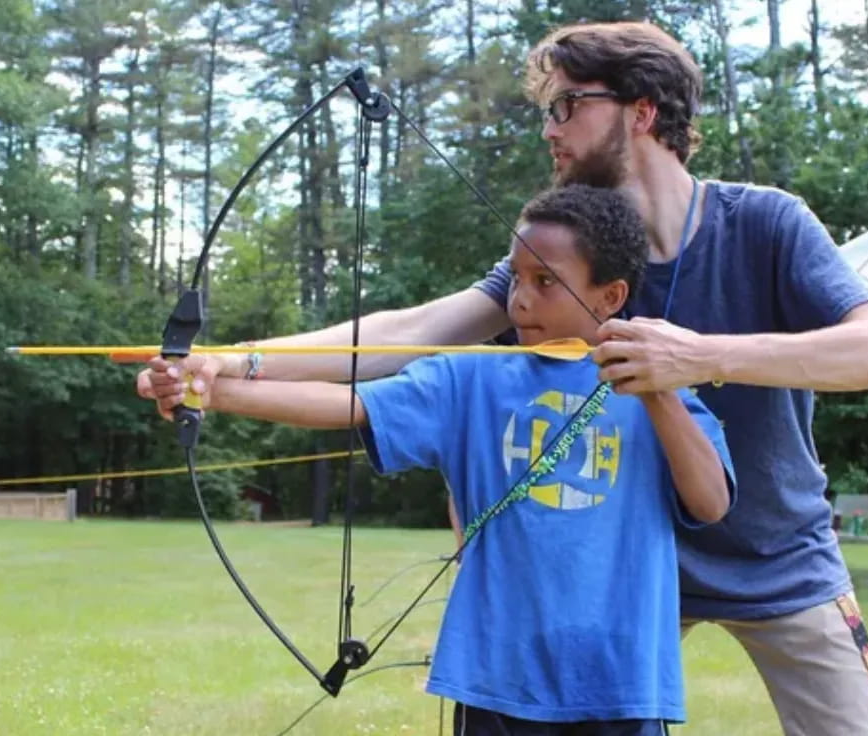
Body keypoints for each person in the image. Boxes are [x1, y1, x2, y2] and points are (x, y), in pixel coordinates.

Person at [138, 21, 868, 736]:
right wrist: (237, 361)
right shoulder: (567, 258)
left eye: (567, 104)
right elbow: (413, 331)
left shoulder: (766, 223)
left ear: (641, 110)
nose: (549, 128)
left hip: (779, 559)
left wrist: (702, 358)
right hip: (617, 578)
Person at [193, 184, 734, 734]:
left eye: (545, 281)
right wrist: (215, 386)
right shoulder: (470, 376)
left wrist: (657, 390)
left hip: (621, 685)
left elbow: (710, 502)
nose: (519, 300)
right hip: (495, 679)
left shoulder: (666, 397)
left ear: (611, 296)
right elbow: (347, 401)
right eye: (517, 278)